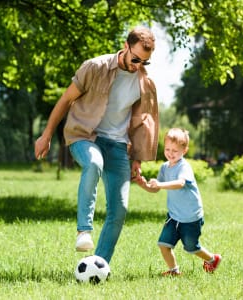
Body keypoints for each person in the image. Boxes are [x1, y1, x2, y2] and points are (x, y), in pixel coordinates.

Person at [34, 26, 159, 264]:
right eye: (135, 59)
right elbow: (66, 99)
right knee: (93, 163)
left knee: (120, 209)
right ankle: (84, 231)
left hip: (118, 145)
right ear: (125, 46)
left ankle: (98, 265)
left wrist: (138, 160)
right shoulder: (95, 67)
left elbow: (144, 122)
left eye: (145, 62)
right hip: (85, 135)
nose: (138, 65)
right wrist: (47, 135)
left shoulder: (146, 83)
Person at [135, 128, 221, 275]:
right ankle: (174, 271)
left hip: (191, 217)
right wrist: (144, 185)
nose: (170, 153)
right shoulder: (164, 167)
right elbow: (155, 189)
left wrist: (160, 185)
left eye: (175, 150)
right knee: (163, 244)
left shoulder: (184, 167)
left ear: (184, 150)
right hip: (174, 216)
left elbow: (180, 183)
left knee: (191, 247)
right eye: (168, 149)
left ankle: (213, 259)